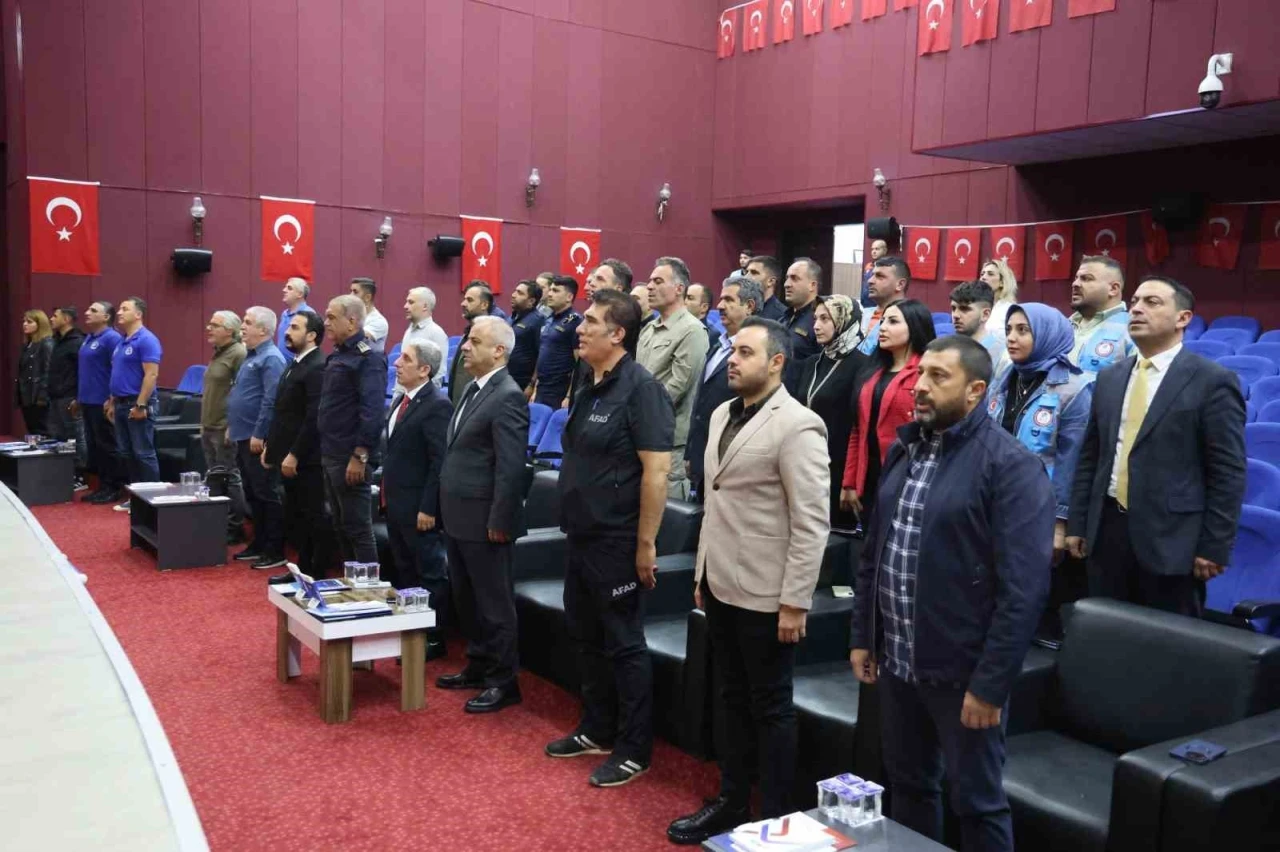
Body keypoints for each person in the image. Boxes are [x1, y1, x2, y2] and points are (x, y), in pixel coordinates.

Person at [851, 335, 1053, 852]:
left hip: (962, 673)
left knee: (978, 804)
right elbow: (875, 552)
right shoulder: (906, 448)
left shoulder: (1010, 465)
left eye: (938, 377)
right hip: (898, 661)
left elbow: (1023, 591)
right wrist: (863, 636)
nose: (920, 386)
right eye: (921, 373)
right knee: (910, 787)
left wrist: (991, 685)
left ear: (975, 391)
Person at [667, 318, 830, 844]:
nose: (732, 360)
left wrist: (796, 601)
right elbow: (715, 503)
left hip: (768, 593)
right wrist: (701, 571)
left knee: (771, 706)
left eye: (745, 353)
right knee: (731, 698)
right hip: (720, 582)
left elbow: (811, 522)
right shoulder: (721, 413)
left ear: (776, 362)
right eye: (732, 351)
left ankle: (776, 819)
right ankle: (732, 799)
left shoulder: (799, 425)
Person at [545, 289, 674, 789]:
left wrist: (646, 544)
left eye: (591, 322)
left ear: (618, 334)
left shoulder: (641, 390)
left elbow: (656, 473)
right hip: (581, 533)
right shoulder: (589, 383)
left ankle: (634, 748)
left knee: (623, 643)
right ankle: (596, 728)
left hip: (618, 539)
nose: (580, 329)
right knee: (585, 637)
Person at [1066, 276, 1246, 617]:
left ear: (1183, 318)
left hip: (1172, 540)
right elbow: (1091, 457)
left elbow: (1228, 471)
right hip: (1107, 531)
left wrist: (1214, 545)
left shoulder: (1212, 381)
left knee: (1165, 643)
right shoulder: (1110, 377)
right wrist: (1078, 522)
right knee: (1107, 634)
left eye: (1152, 302)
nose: (1136, 308)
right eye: (1135, 301)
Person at [437, 316, 529, 713]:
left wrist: (500, 520)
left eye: (474, 341)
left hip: (485, 520)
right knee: (468, 599)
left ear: (499, 351)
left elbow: (510, 467)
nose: (464, 347)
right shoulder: (472, 389)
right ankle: (477, 665)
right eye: (467, 340)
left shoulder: (508, 395)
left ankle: (503, 681)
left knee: (494, 605)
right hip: (458, 515)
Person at [987, 303, 1094, 634]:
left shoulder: (1074, 388)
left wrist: (1059, 524)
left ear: (1047, 334)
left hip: (1039, 509)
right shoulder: (1004, 379)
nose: (1012, 337)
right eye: (1009, 330)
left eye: (1023, 330)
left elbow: (1071, 461)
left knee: (1022, 599)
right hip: (995, 501)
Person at [383, 339, 453, 660]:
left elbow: (440, 462)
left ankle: (434, 638)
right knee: (405, 570)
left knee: (429, 573)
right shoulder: (402, 399)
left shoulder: (437, 405)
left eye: (406, 359)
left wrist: (429, 507)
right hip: (396, 504)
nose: (397, 363)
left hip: (419, 509)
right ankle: (412, 631)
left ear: (424, 369)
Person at [841, 299, 935, 521]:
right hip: (869, 476)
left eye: (893, 322)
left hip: (908, 476)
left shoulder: (926, 372)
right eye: (882, 321)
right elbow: (858, 429)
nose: (882, 327)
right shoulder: (873, 370)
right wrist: (849, 482)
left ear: (914, 326)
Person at [263, 310, 330, 581]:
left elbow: (313, 417)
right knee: (297, 515)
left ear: (311, 335)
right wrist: (272, 447)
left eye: (294, 328)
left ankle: (315, 573)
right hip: (288, 454)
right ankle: (302, 570)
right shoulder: (296, 363)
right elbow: (284, 411)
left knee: (312, 516)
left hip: (307, 458)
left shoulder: (318, 366)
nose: (287, 332)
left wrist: (294, 454)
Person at [319, 295, 386, 564]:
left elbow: (372, 412)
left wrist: (360, 455)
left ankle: (369, 586)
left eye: (331, 317)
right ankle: (351, 582)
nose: (326, 323)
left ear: (352, 321)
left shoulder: (368, 358)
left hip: (350, 456)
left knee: (358, 529)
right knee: (340, 525)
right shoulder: (338, 355)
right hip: (331, 452)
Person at [686, 274, 761, 501]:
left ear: (749, 306)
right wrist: (691, 452)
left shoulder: (758, 353)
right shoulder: (716, 345)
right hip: (703, 457)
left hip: (731, 463)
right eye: (720, 299)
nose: (719, 306)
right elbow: (700, 402)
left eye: (728, 300)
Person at [638, 257, 708, 500]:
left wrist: (633, 410)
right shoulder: (648, 329)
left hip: (668, 442)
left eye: (658, 281)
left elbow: (676, 388)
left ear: (679, 289)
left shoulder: (692, 330)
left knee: (665, 513)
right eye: (650, 281)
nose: (649, 286)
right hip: (640, 434)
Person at [797, 295, 867, 532]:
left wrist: (850, 481)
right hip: (803, 464)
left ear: (844, 320)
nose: (816, 326)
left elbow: (859, 427)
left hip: (837, 469)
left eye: (825, 319)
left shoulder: (863, 366)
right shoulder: (812, 363)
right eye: (815, 319)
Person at [228, 307, 288, 570]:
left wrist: (259, 433)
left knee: (266, 493)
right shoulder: (251, 356)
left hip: (257, 438)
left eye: (248, 322)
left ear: (263, 330)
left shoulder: (271, 358)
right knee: (252, 492)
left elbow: (271, 400)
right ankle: (259, 542)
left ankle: (274, 549)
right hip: (243, 434)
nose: (242, 326)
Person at [105, 297, 162, 510]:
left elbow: (151, 375)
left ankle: (152, 498)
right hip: (120, 403)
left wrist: (141, 405)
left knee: (143, 453)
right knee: (126, 453)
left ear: (138, 314)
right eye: (119, 308)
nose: (119, 312)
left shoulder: (147, 339)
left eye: (124, 309)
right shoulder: (122, 341)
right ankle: (137, 498)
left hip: (137, 404)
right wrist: (112, 401)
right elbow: (119, 374)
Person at [200, 311, 249, 545]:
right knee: (215, 477)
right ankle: (217, 523)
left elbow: (242, 393)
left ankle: (235, 527)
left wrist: (232, 425)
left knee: (230, 477)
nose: (208, 328)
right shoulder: (219, 352)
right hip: (209, 425)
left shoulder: (238, 353)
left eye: (215, 325)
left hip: (224, 427)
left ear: (229, 330)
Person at [78, 302, 124, 504]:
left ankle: (113, 487)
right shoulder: (89, 338)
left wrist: (112, 398)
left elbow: (118, 368)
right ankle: (102, 486)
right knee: (94, 446)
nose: (87, 312)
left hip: (102, 401)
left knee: (107, 445)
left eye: (93, 310)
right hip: (87, 400)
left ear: (106, 317)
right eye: (88, 309)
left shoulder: (112, 338)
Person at [1069, 255, 1135, 374]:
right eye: (1076, 278)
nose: (1075, 284)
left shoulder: (1133, 329)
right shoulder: (1061, 327)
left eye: (1086, 279)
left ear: (1113, 289)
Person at [448, 282, 510, 404]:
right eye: (464, 299)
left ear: (484, 305)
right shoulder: (468, 332)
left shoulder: (494, 335)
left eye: (469, 300)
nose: (463, 303)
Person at [46, 307, 87, 485]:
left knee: (76, 437)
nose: (51, 319)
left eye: (55, 316)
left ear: (67, 319)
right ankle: (65, 474)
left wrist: (78, 397)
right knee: (59, 437)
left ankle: (80, 475)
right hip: (55, 397)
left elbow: (82, 372)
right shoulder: (57, 341)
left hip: (70, 397)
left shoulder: (77, 342)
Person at [950, 281, 1009, 377]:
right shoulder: (949, 347)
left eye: (964, 309)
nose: (955, 315)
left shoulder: (1001, 354)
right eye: (953, 308)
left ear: (985, 314)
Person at [858, 256, 911, 356]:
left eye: (880, 276)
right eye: (872, 275)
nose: (870, 281)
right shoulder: (861, 314)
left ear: (900, 284)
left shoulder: (910, 320)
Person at [401, 286, 450, 389]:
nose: (405, 306)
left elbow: (438, 374)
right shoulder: (408, 331)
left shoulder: (436, 333)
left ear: (424, 306)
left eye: (411, 302)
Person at [16, 310, 54, 435]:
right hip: (27, 395)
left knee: (42, 431)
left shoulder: (46, 343)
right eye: (24, 321)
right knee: (32, 430)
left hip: (38, 396)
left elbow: (48, 371)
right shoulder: (27, 345)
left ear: (40, 324)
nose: (25, 324)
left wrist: (43, 395)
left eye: (29, 322)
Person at [781, 258, 823, 366]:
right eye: (787, 278)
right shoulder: (784, 317)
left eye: (794, 278)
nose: (786, 284)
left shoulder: (821, 321)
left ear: (812, 285)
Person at [507, 279, 546, 392]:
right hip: (507, 378)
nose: (513, 295)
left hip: (522, 383)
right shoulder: (512, 318)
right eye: (515, 291)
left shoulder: (537, 321)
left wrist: (532, 384)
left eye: (520, 293)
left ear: (531, 301)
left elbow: (541, 355)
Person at [979, 259, 1018, 338]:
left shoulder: (1009, 310)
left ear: (1002, 282)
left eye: (990, 274)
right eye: (982, 274)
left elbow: (999, 339)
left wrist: (981, 345)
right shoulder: (976, 306)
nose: (983, 277)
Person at [350, 277, 389, 352]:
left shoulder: (378, 321)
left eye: (355, 292)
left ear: (367, 297)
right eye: (351, 291)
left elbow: (355, 338)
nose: (350, 295)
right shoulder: (352, 316)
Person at [745, 255, 788, 322]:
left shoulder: (782, 316)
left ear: (771, 281)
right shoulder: (740, 308)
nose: (746, 277)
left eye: (754, 273)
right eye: (746, 272)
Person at [684, 283, 720, 354]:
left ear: (704, 307)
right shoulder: (675, 325)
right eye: (684, 297)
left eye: (690, 298)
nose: (684, 301)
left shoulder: (712, 335)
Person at [278, 277, 311, 351]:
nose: (284, 290)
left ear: (300, 294)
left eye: (289, 288)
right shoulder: (284, 314)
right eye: (285, 287)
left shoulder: (308, 314)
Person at [860, 239, 888, 308]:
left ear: (884, 251)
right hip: (865, 304)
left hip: (878, 305)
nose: (874, 252)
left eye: (877, 249)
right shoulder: (869, 266)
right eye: (872, 249)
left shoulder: (887, 267)